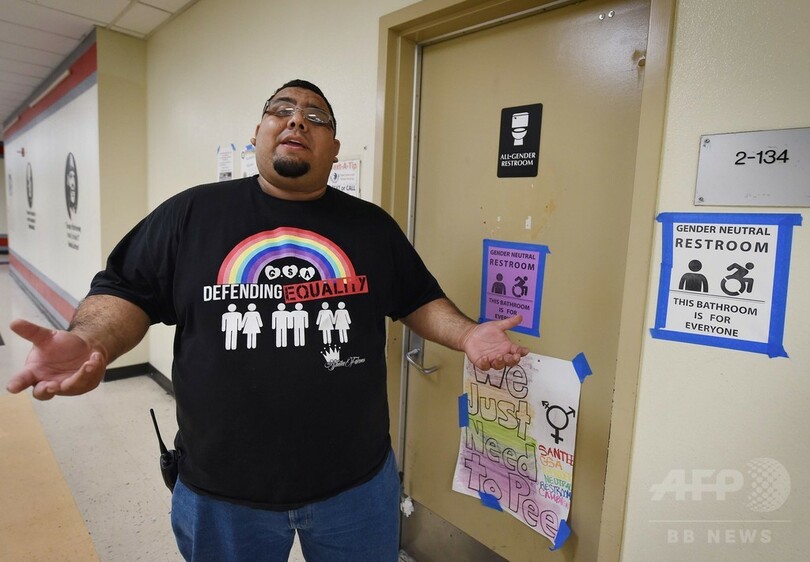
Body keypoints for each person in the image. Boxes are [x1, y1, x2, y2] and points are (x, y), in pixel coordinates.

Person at [6, 79, 529, 562]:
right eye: (282, 110)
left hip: (357, 486)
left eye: (316, 117)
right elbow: (126, 291)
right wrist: (89, 340)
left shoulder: (371, 227)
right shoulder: (191, 214)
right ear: (257, 133)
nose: (297, 120)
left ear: (334, 149)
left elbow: (417, 298)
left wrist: (468, 333)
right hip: (222, 491)